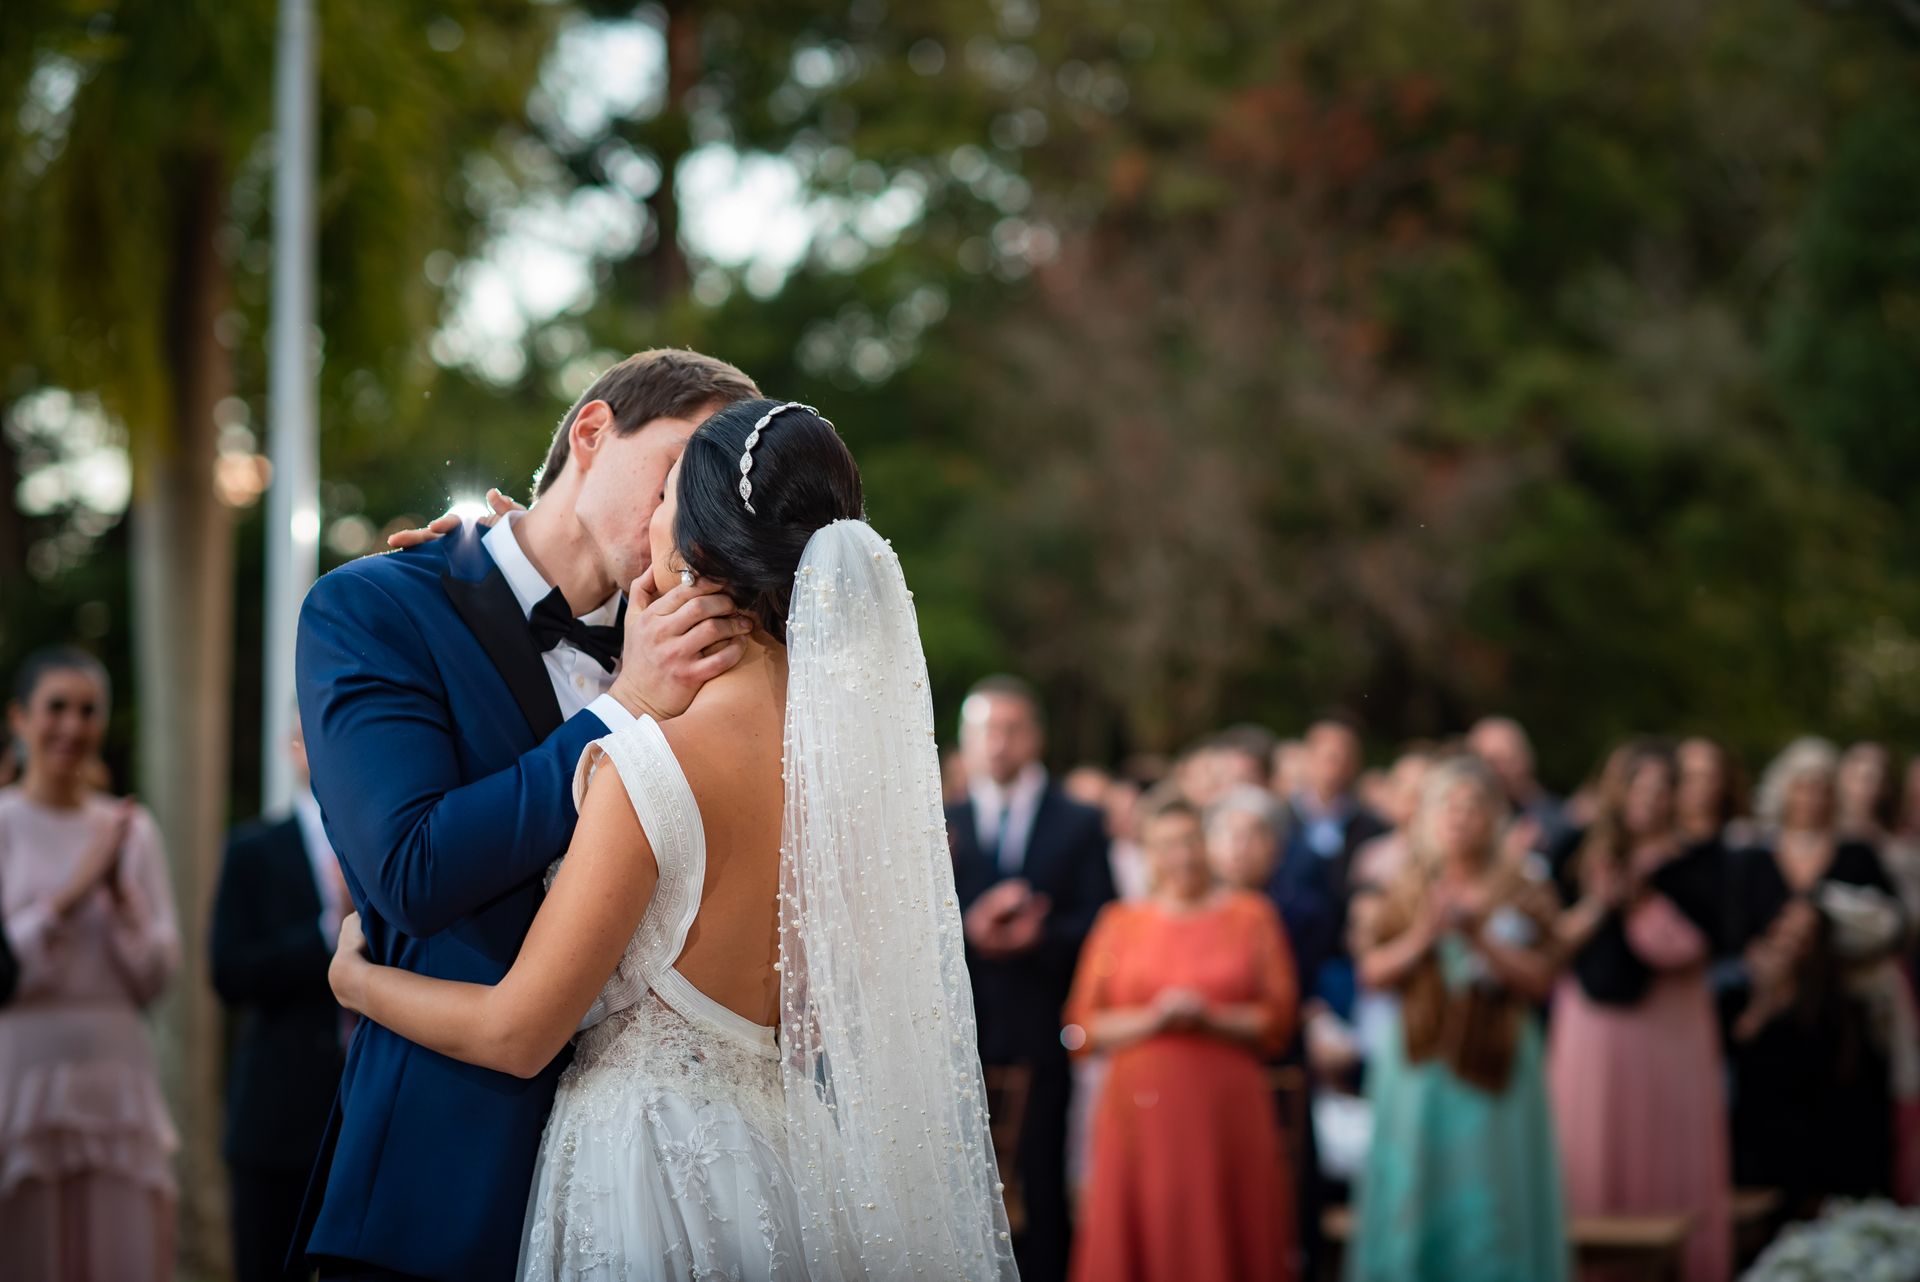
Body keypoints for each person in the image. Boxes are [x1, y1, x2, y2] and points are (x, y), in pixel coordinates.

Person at [326, 399, 1015, 1279]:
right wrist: (492, 570)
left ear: (693, 543)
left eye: (666, 496)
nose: (649, 511)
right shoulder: (841, 773)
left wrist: (358, 981)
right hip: (784, 1164)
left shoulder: (650, 766)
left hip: (645, 1171)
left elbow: (517, 1031)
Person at [292, 349, 762, 1282]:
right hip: (440, 1189)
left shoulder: (714, 656)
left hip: (654, 1198)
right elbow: (413, 872)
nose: (691, 512)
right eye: (675, 472)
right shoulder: (374, 608)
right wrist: (622, 708)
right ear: (592, 433)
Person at [1347, 756, 1569, 1282]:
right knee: (1419, 1185)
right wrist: (1424, 934)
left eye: (1474, 806)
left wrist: (1480, 938)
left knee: (1493, 1186)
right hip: (1419, 1064)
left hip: (1498, 1063)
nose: (1460, 818)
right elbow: (1372, 973)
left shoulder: (1523, 886)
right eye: (1449, 805)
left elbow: (1543, 980)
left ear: (1495, 817)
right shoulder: (1406, 883)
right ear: (1427, 816)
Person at [0, 648, 179, 1282]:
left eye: (88, 710)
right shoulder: (5, 825)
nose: (72, 726)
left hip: (116, 1077)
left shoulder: (132, 829)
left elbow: (158, 976)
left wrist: (121, 896)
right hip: (22, 1075)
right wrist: (71, 893)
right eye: (56, 708)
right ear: (20, 719)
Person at [1066, 795, 1298, 1282]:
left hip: (1223, 1104)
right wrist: (1154, 1019)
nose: (1182, 856)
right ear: (1147, 852)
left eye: (1191, 841)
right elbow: (1081, 1026)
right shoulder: (1119, 923)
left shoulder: (1251, 916)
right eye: (1166, 845)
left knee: (1225, 1221)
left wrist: (1209, 1016)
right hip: (1139, 1106)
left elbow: (1278, 1018)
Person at [949, 675, 1115, 1282]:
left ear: (1036, 736)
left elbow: (1103, 920)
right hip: (962, 1033)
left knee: (1042, 1181)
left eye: (1012, 729)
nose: (999, 743)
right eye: (987, 730)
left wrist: (1038, 935)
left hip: (1046, 1025)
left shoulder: (1079, 821)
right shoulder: (943, 819)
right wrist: (970, 927)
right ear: (966, 741)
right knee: (964, 1182)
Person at [1547, 741, 1730, 1282]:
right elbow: (1551, 942)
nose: (1648, 799)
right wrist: (1599, 902)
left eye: (1660, 788)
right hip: (1591, 1024)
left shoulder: (1699, 860)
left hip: (1667, 1027)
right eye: (1638, 785)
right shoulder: (1577, 850)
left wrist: (1637, 903)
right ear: (1616, 790)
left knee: (1663, 1147)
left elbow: (1695, 948)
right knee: (1592, 1140)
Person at [1723, 737, 1905, 1208]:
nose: (1811, 798)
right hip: (1774, 1025)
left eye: (1822, 788)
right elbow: (1732, 931)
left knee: (1846, 1146)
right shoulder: (1752, 858)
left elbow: (1894, 926)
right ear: (1784, 792)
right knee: (1773, 1152)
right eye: (1803, 787)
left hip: (1840, 1026)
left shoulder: (1856, 854)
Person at [210, 712, 353, 1282]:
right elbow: (229, 974)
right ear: (294, 745)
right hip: (278, 1117)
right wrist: (329, 926)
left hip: (369, 1113)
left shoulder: (389, 846)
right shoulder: (252, 851)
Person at [1271, 719, 1385, 1014]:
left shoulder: (1373, 827)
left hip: (1345, 960)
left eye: (1346, 759)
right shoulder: (1278, 822)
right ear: (1308, 760)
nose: (1337, 767)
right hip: (1288, 953)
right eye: (1329, 758)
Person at [1468, 716, 1569, 849]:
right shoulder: (1470, 822)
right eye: (1485, 763)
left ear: (1525, 759)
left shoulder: (1560, 820)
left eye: (1502, 761)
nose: (1495, 772)